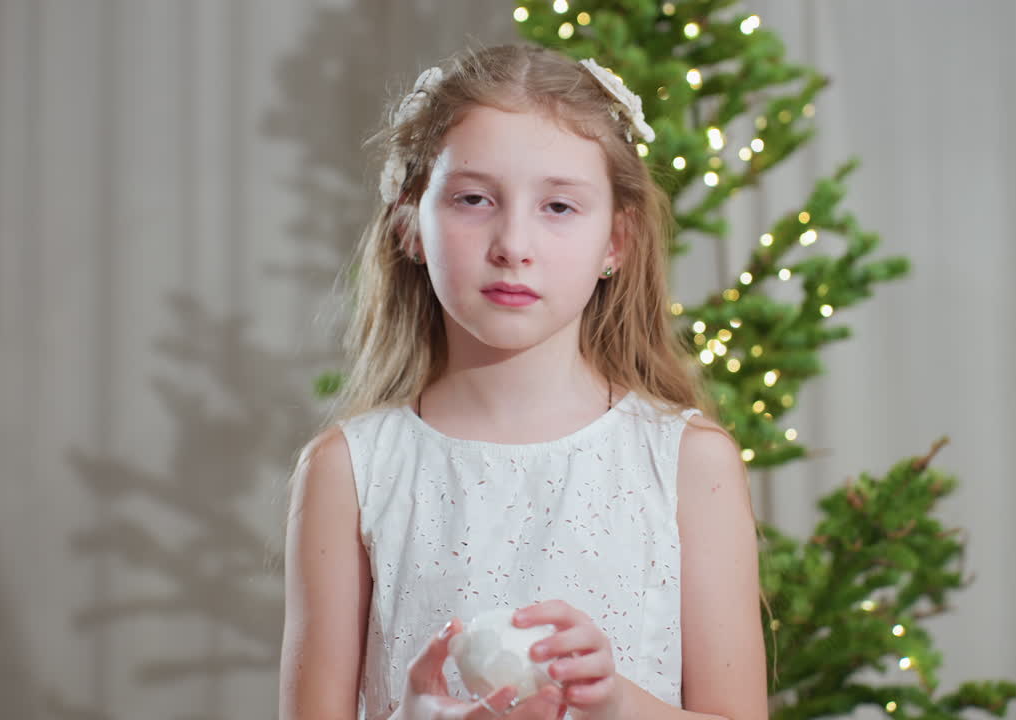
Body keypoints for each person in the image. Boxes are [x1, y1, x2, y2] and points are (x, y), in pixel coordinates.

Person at [278, 43, 766, 720]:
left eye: (559, 207)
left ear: (616, 242)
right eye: (474, 199)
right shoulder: (349, 471)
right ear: (410, 223)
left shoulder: (688, 463)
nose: (513, 243)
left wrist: (617, 704)